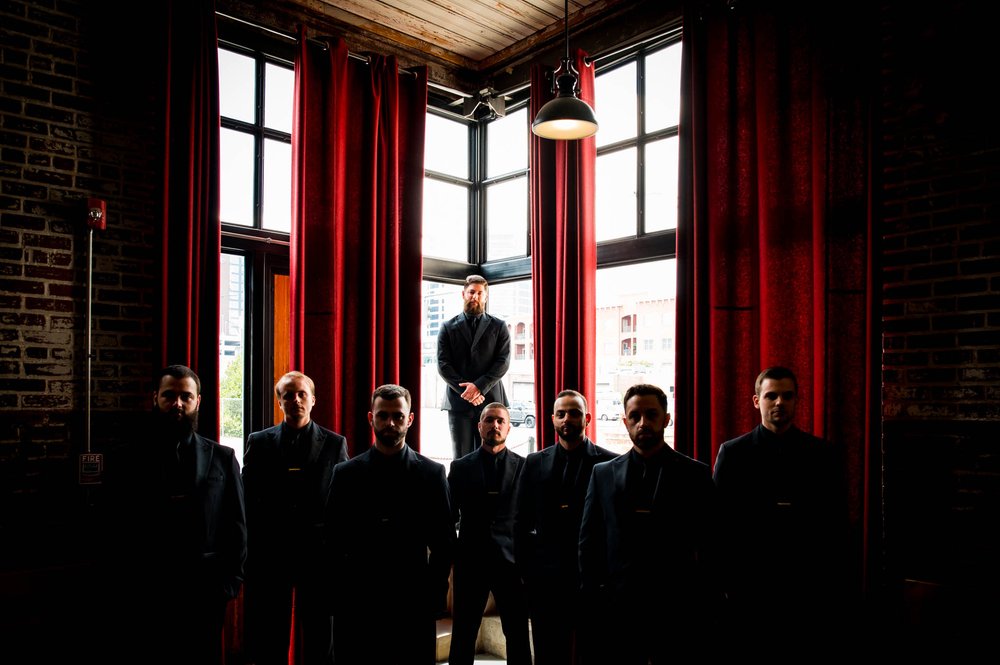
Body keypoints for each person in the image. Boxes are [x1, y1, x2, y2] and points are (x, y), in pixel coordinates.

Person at [104, 364, 247, 664]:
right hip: (145, 593)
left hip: (205, 594)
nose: (177, 403)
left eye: (186, 396)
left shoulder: (222, 457)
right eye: (169, 396)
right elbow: (112, 526)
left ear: (198, 401)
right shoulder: (125, 458)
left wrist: (229, 583)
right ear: (155, 398)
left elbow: (236, 524)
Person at [579, 384, 720, 663]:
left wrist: (703, 601)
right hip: (617, 608)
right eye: (635, 416)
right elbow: (589, 541)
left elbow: (712, 543)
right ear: (625, 421)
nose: (643, 422)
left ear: (667, 419)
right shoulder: (603, 473)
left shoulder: (695, 474)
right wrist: (594, 597)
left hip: (678, 608)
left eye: (651, 414)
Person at [712, 366, 850, 648]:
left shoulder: (823, 454)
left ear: (797, 400)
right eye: (771, 395)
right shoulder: (733, 453)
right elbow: (717, 524)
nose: (779, 403)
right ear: (756, 400)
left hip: (807, 588)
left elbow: (836, 525)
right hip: (749, 587)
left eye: (787, 396)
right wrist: (727, 583)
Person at [326, 384, 455, 665]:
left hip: (411, 605)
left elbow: (444, 545)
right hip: (356, 604)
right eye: (383, 415)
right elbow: (332, 541)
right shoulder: (346, 474)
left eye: (398, 416)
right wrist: (337, 598)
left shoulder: (432, 475)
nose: (390, 423)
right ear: (370, 418)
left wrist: (432, 599)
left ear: (410, 419)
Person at [241, 371, 348, 664]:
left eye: (302, 394)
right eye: (288, 394)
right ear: (279, 402)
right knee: (270, 635)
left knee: (319, 636)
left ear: (313, 400)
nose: (295, 399)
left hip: (318, 556)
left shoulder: (335, 444)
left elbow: (342, 503)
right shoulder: (259, 442)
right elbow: (247, 500)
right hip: (271, 554)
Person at [513, 390, 617, 665]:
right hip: (545, 581)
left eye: (574, 413)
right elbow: (520, 522)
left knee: (593, 653)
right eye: (561, 414)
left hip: (593, 581)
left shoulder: (609, 463)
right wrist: (527, 572)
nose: (567, 418)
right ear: (552, 419)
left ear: (588, 418)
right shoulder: (534, 462)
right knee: (548, 654)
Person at [447, 403, 531, 665]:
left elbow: (530, 518)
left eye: (500, 421)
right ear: (479, 425)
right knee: (463, 633)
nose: (495, 425)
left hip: (511, 564)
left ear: (508, 427)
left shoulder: (524, 467)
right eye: (489, 420)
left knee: (516, 634)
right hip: (471, 563)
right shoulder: (460, 467)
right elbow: (450, 517)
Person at [437, 274, 512, 460]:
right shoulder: (447, 327)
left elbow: (503, 362)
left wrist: (478, 387)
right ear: (463, 294)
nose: (475, 297)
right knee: (460, 457)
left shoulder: (499, 326)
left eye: (480, 293)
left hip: (492, 401)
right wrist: (467, 390)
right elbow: (442, 364)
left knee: (492, 455)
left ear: (485, 297)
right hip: (458, 401)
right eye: (471, 292)